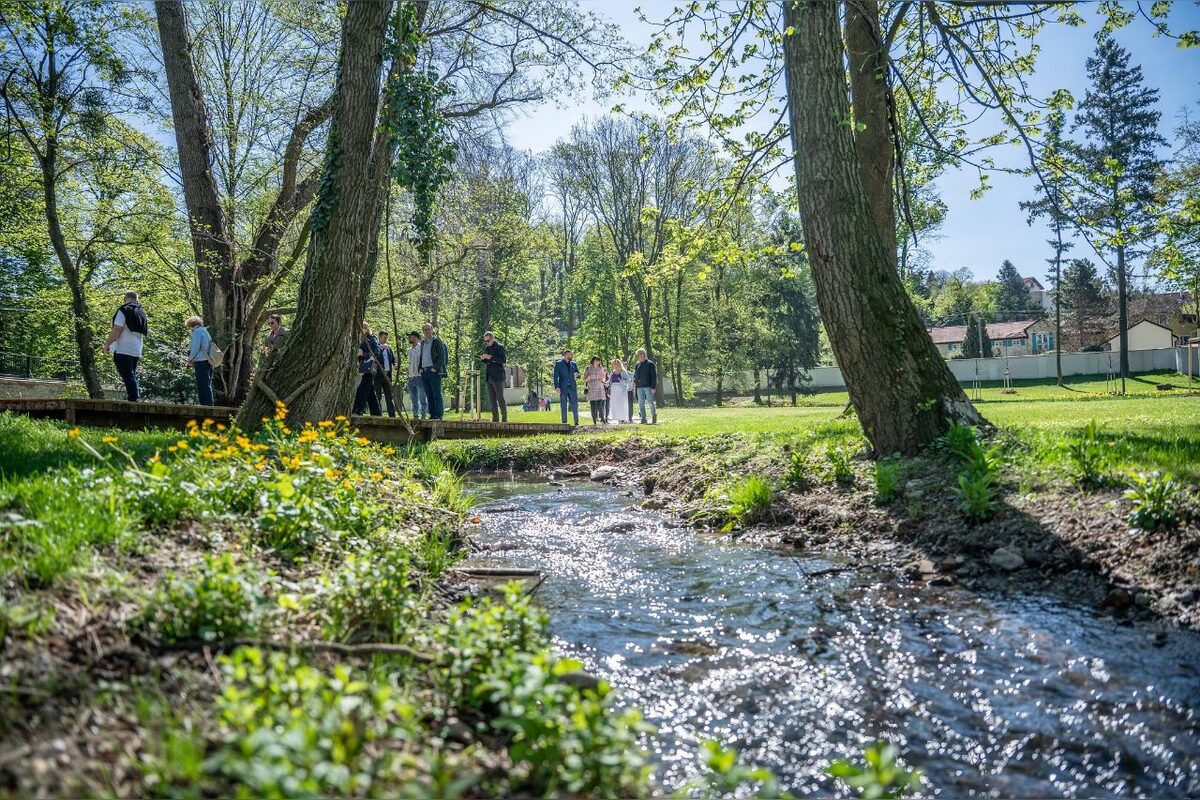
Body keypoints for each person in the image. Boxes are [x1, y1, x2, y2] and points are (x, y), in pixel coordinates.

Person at [105, 291, 146, 402]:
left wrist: (108, 344)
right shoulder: (141, 312)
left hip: (123, 348)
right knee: (132, 375)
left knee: (128, 375)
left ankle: (133, 399)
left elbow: (117, 328)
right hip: (137, 349)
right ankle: (134, 398)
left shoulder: (124, 310)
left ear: (125, 299)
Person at [417, 322, 448, 420]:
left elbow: (442, 356)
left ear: (432, 330)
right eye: (425, 329)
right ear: (423, 331)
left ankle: (438, 415)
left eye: (428, 329)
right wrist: (420, 368)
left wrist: (435, 368)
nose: (427, 331)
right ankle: (432, 414)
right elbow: (421, 357)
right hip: (424, 372)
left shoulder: (436, 341)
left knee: (436, 394)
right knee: (429, 395)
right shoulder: (422, 343)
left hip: (433, 371)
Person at [186, 316, 215, 407]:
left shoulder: (197, 332)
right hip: (209, 361)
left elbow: (195, 347)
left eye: (189, 327)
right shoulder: (205, 331)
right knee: (207, 384)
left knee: (202, 385)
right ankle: (209, 405)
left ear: (192, 325)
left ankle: (205, 406)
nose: (189, 329)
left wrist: (190, 359)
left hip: (201, 361)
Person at [479, 330, 508, 423]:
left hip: (498, 376)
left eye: (488, 341)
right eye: (485, 341)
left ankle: (504, 419)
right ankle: (495, 419)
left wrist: (491, 358)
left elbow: (503, 360)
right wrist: (483, 358)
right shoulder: (487, 348)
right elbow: (486, 361)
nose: (487, 343)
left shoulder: (499, 347)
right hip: (489, 376)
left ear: (492, 338)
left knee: (500, 398)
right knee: (492, 400)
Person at [353, 330, 382, 416]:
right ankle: (376, 413)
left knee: (363, 388)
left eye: (364, 328)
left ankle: (357, 410)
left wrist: (364, 355)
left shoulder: (372, 339)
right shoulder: (361, 339)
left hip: (370, 368)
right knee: (370, 391)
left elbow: (377, 351)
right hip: (365, 368)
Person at [553, 348, 580, 426]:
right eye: (569, 354)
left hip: (572, 387)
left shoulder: (574, 364)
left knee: (575, 405)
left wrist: (577, 375)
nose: (571, 356)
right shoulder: (558, 363)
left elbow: (578, 374)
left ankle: (576, 422)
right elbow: (555, 376)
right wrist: (557, 387)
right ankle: (564, 423)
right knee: (563, 405)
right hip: (563, 387)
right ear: (565, 355)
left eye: (571, 354)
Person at [374, 330, 397, 417]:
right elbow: (374, 356)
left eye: (386, 338)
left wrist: (395, 364)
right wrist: (380, 348)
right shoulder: (376, 347)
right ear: (379, 337)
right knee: (378, 396)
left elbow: (393, 359)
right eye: (384, 338)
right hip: (378, 375)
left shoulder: (389, 348)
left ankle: (392, 415)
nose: (385, 340)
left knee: (389, 396)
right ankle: (378, 414)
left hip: (388, 375)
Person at [405, 330, 427, 419]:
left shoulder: (421, 348)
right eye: (409, 337)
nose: (409, 338)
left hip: (419, 376)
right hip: (411, 377)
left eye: (411, 336)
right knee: (414, 399)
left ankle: (424, 415)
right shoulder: (408, 351)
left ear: (416, 338)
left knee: (422, 398)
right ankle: (415, 416)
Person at [633, 347, 657, 424]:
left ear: (644, 354)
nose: (639, 356)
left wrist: (653, 387)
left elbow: (654, 376)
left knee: (650, 402)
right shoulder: (637, 364)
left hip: (648, 386)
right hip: (639, 387)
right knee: (641, 403)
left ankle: (654, 415)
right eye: (638, 354)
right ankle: (643, 419)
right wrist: (635, 381)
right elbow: (635, 375)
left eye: (640, 354)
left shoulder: (650, 364)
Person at [583, 356, 609, 425]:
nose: (597, 362)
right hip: (591, 389)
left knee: (599, 405)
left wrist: (592, 377)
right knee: (592, 406)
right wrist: (595, 377)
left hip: (600, 389)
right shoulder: (587, 368)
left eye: (598, 360)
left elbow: (603, 379)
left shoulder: (601, 368)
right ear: (593, 361)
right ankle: (594, 421)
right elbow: (585, 379)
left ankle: (603, 419)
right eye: (596, 360)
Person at [607, 358, 633, 423]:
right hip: (614, 390)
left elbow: (628, 381)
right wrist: (607, 384)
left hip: (621, 390)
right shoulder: (612, 372)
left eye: (618, 365)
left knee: (622, 404)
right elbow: (610, 381)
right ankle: (618, 418)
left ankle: (623, 419)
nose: (616, 366)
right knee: (615, 404)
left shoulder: (623, 372)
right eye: (615, 365)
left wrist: (622, 381)